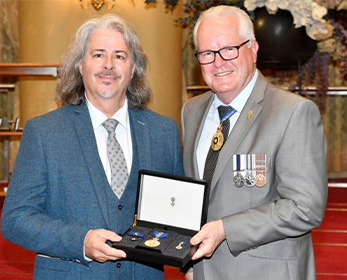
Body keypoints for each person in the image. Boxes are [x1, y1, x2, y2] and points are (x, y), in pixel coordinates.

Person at [1, 14, 183, 280]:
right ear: (80, 66)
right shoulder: (44, 132)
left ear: (133, 69)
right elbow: (15, 219)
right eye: (98, 55)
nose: (108, 65)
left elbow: (176, 213)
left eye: (120, 56)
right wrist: (81, 241)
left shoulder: (163, 132)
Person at [181, 5, 327, 280]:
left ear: (253, 49)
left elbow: (305, 207)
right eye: (207, 53)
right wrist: (189, 263)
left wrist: (226, 229)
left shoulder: (293, 112)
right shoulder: (191, 111)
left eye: (229, 49)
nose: (218, 62)